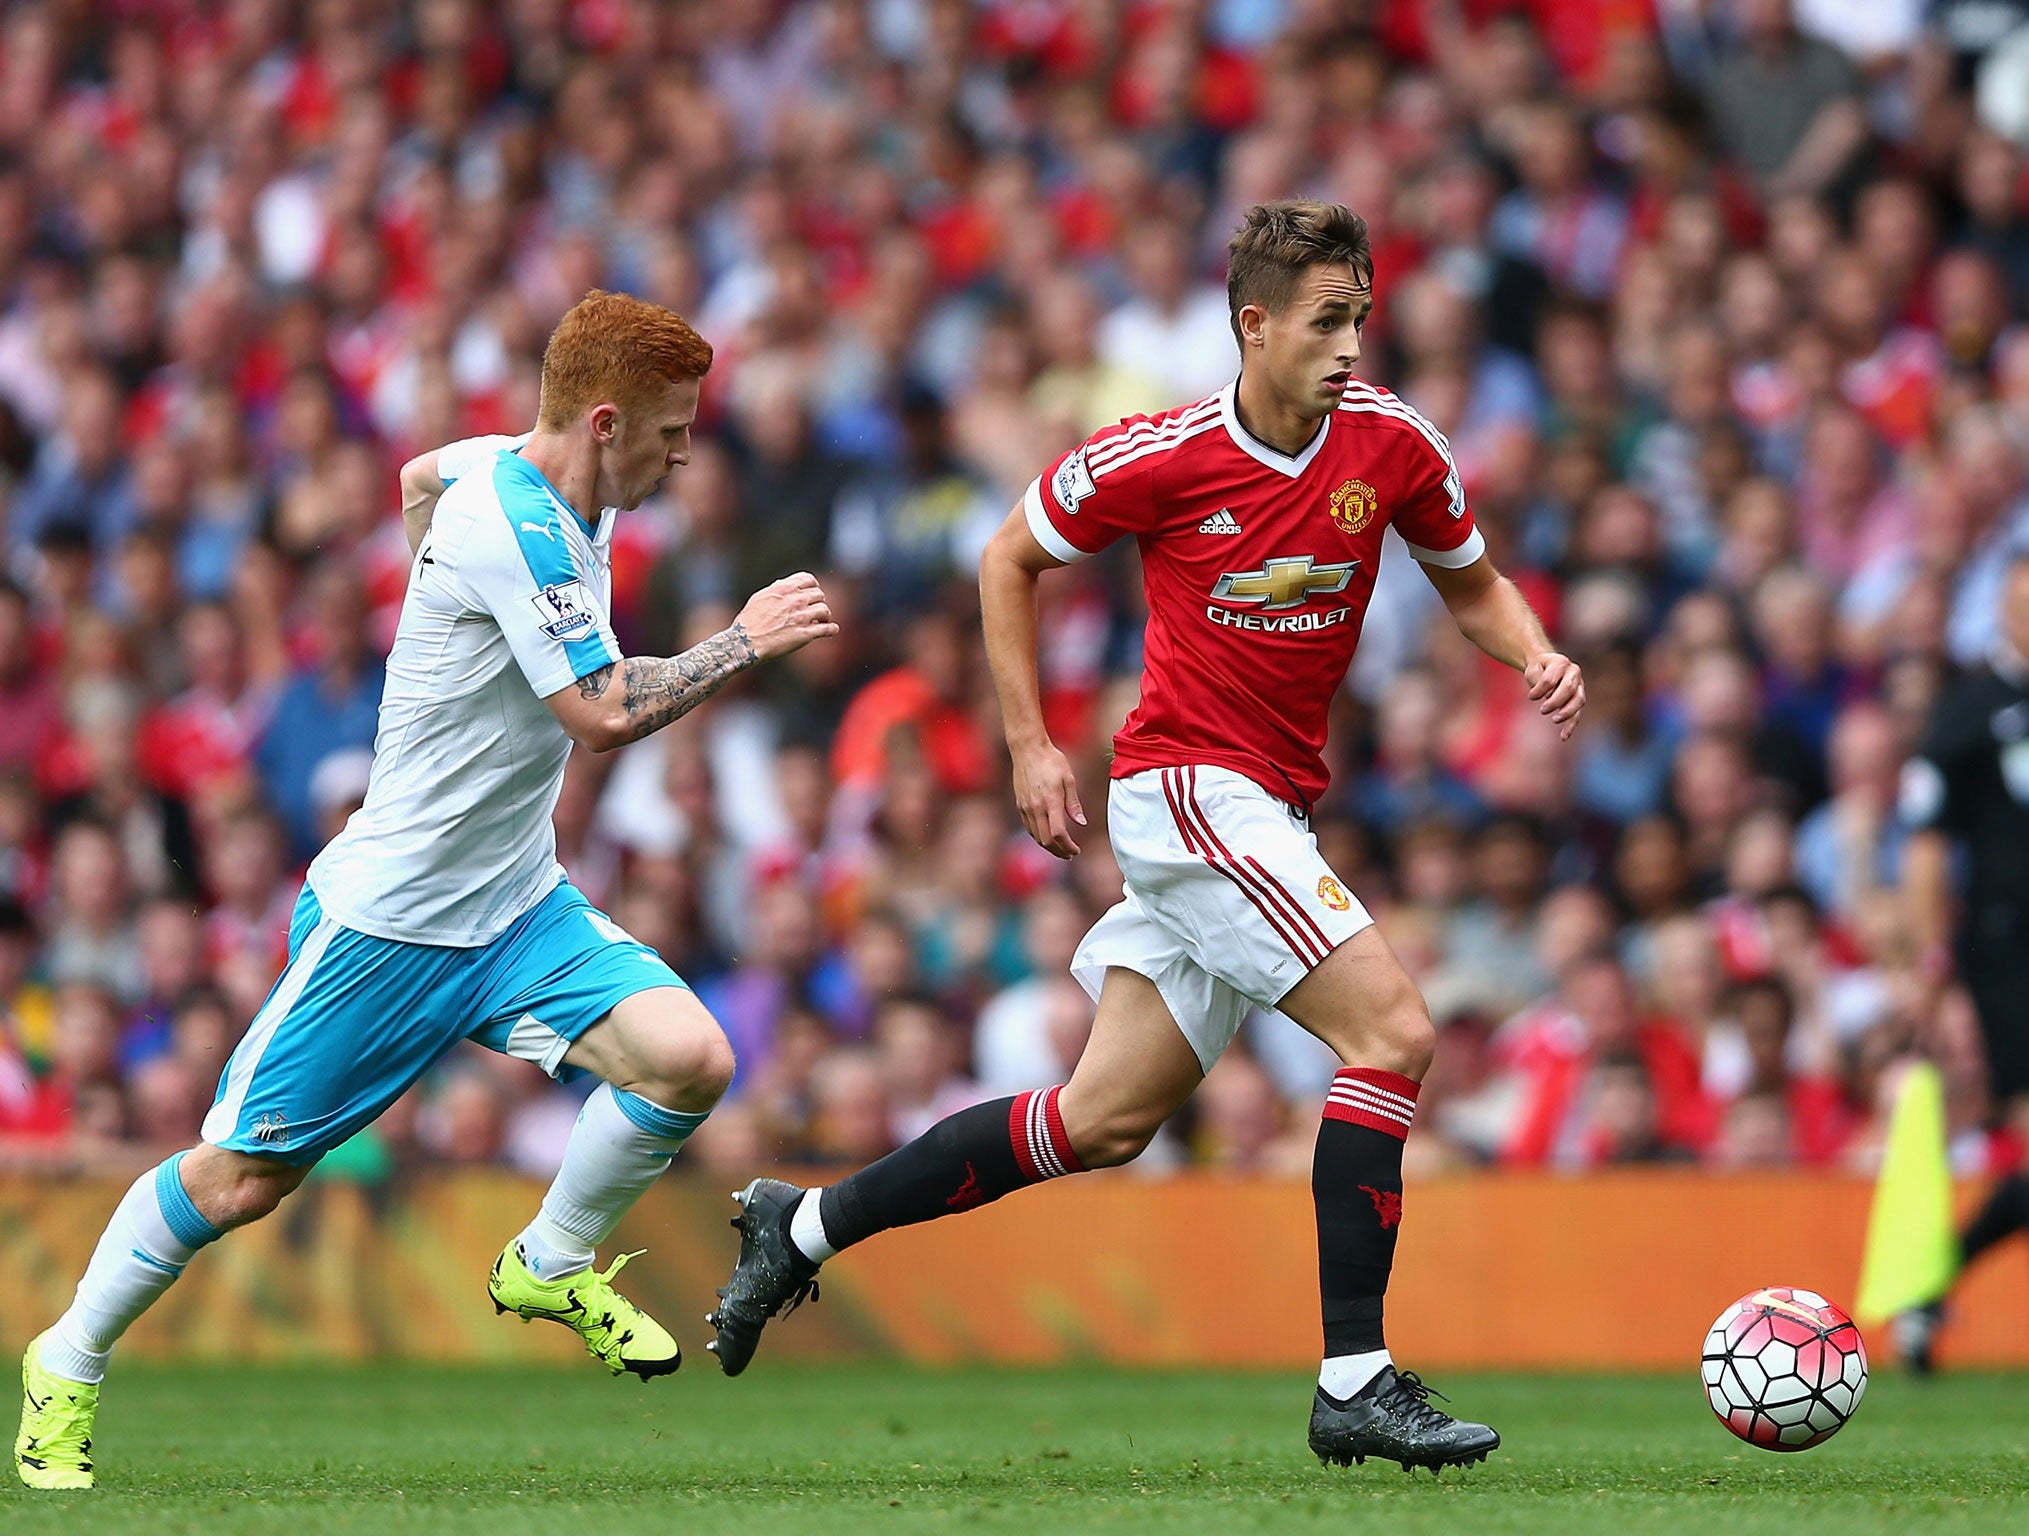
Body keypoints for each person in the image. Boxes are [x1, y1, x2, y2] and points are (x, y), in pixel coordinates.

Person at [708, 201, 1585, 1472]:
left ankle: (798, 1230)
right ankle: (1354, 1376)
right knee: (1391, 1032)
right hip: (1185, 791)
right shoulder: (1159, 455)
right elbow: (1007, 558)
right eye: (1325, 321)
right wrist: (1025, 740)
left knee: (1098, 1121)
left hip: (1265, 805)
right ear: (1254, 324)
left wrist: (1536, 654)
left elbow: (1470, 583)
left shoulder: (1393, 448)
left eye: (1360, 319)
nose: (1349, 346)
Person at [14, 291, 838, 1491]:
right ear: (604, 423)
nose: (682, 452)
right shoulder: (520, 526)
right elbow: (604, 715)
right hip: (390, 925)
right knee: (241, 1179)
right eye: (669, 430)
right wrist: (742, 642)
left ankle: (547, 1262)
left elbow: (411, 477)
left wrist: (448, 621)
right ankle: (66, 1361)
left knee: (689, 1059)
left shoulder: (514, 470)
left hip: (513, 904)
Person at [1892, 547, 2029, 1373]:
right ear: (2003, 613)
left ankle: (1926, 1292)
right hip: (2008, 947)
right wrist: (1931, 965)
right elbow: (1925, 849)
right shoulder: (1968, 714)